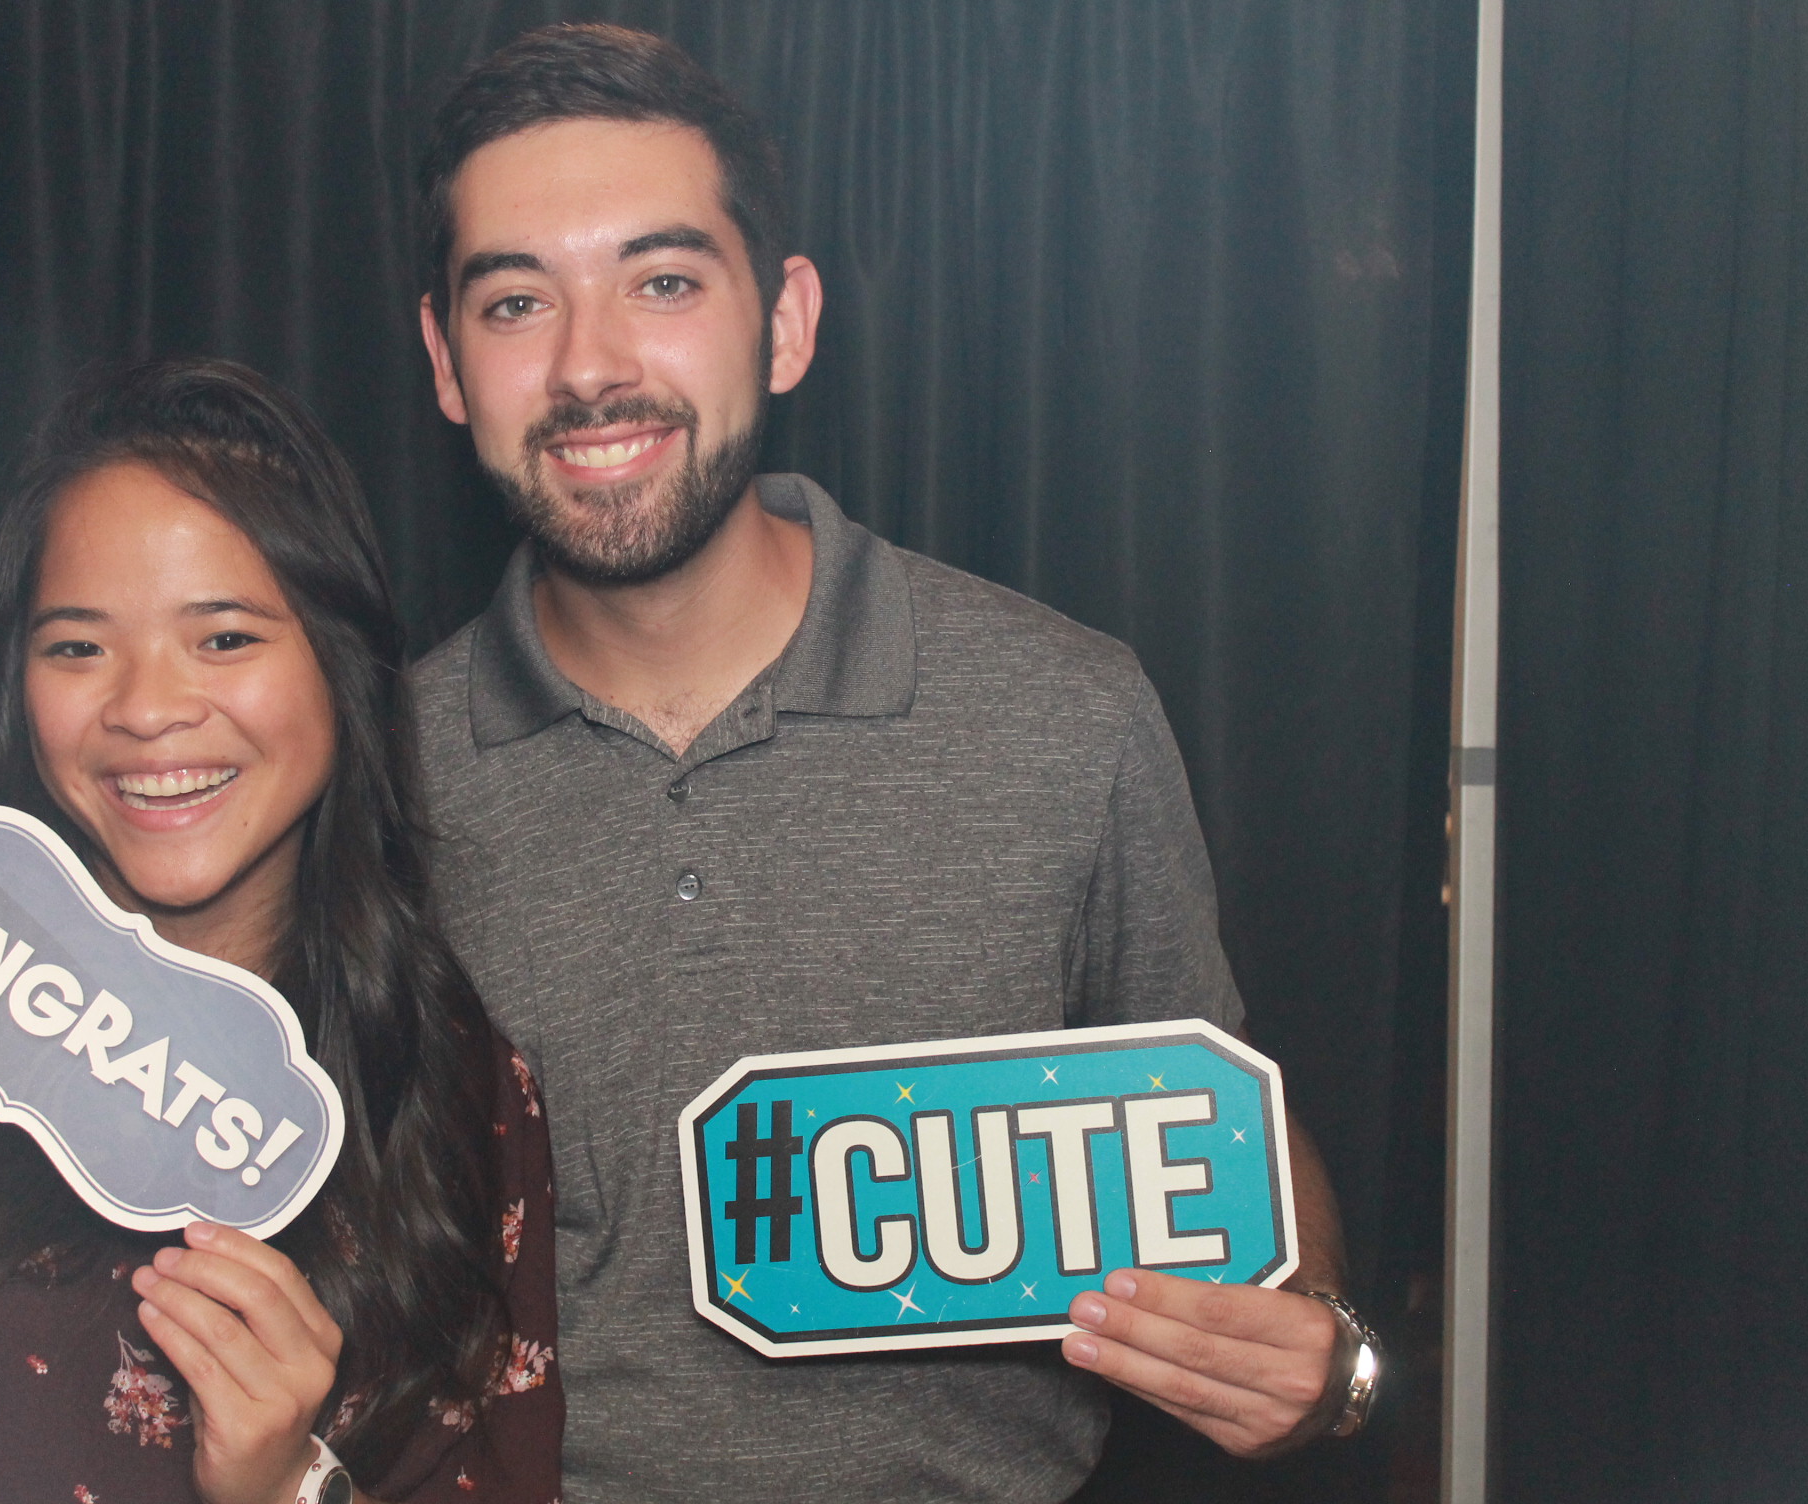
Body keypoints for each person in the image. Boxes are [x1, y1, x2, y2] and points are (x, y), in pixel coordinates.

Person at [408, 23, 1372, 1504]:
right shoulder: (378, 777)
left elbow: (1224, 1147)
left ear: (785, 324)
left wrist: (1315, 1357)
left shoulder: (1066, 710)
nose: (590, 366)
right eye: (519, 300)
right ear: (448, 364)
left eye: (663, 283)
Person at [0, 358, 560, 1501]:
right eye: (78, 646)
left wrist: (284, 1486)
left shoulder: (445, 1088)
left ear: (344, 664)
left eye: (225, 638)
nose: (146, 708)